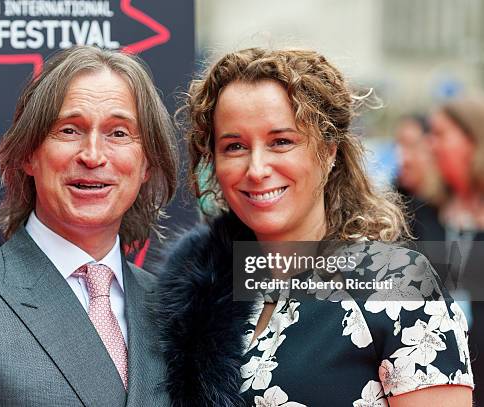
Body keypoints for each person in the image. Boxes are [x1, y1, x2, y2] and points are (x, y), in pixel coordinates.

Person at [157, 48, 473, 406]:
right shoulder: (199, 290)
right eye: (235, 146)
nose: (257, 168)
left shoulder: (398, 283)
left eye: (281, 142)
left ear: (329, 150)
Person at [0, 46, 177, 406]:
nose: (94, 155)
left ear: (147, 163)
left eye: (118, 133)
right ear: (26, 155)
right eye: (69, 130)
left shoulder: (177, 310)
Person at [429, 96, 484, 404]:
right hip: (440, 370)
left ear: (472, 139)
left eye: (441, 134)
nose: (431, 144)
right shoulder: (424, 210)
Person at [394, 114, 445, 241]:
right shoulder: (391, 212)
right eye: (399, 146)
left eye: (411, 146)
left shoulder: (451, 210)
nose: (403, 159)